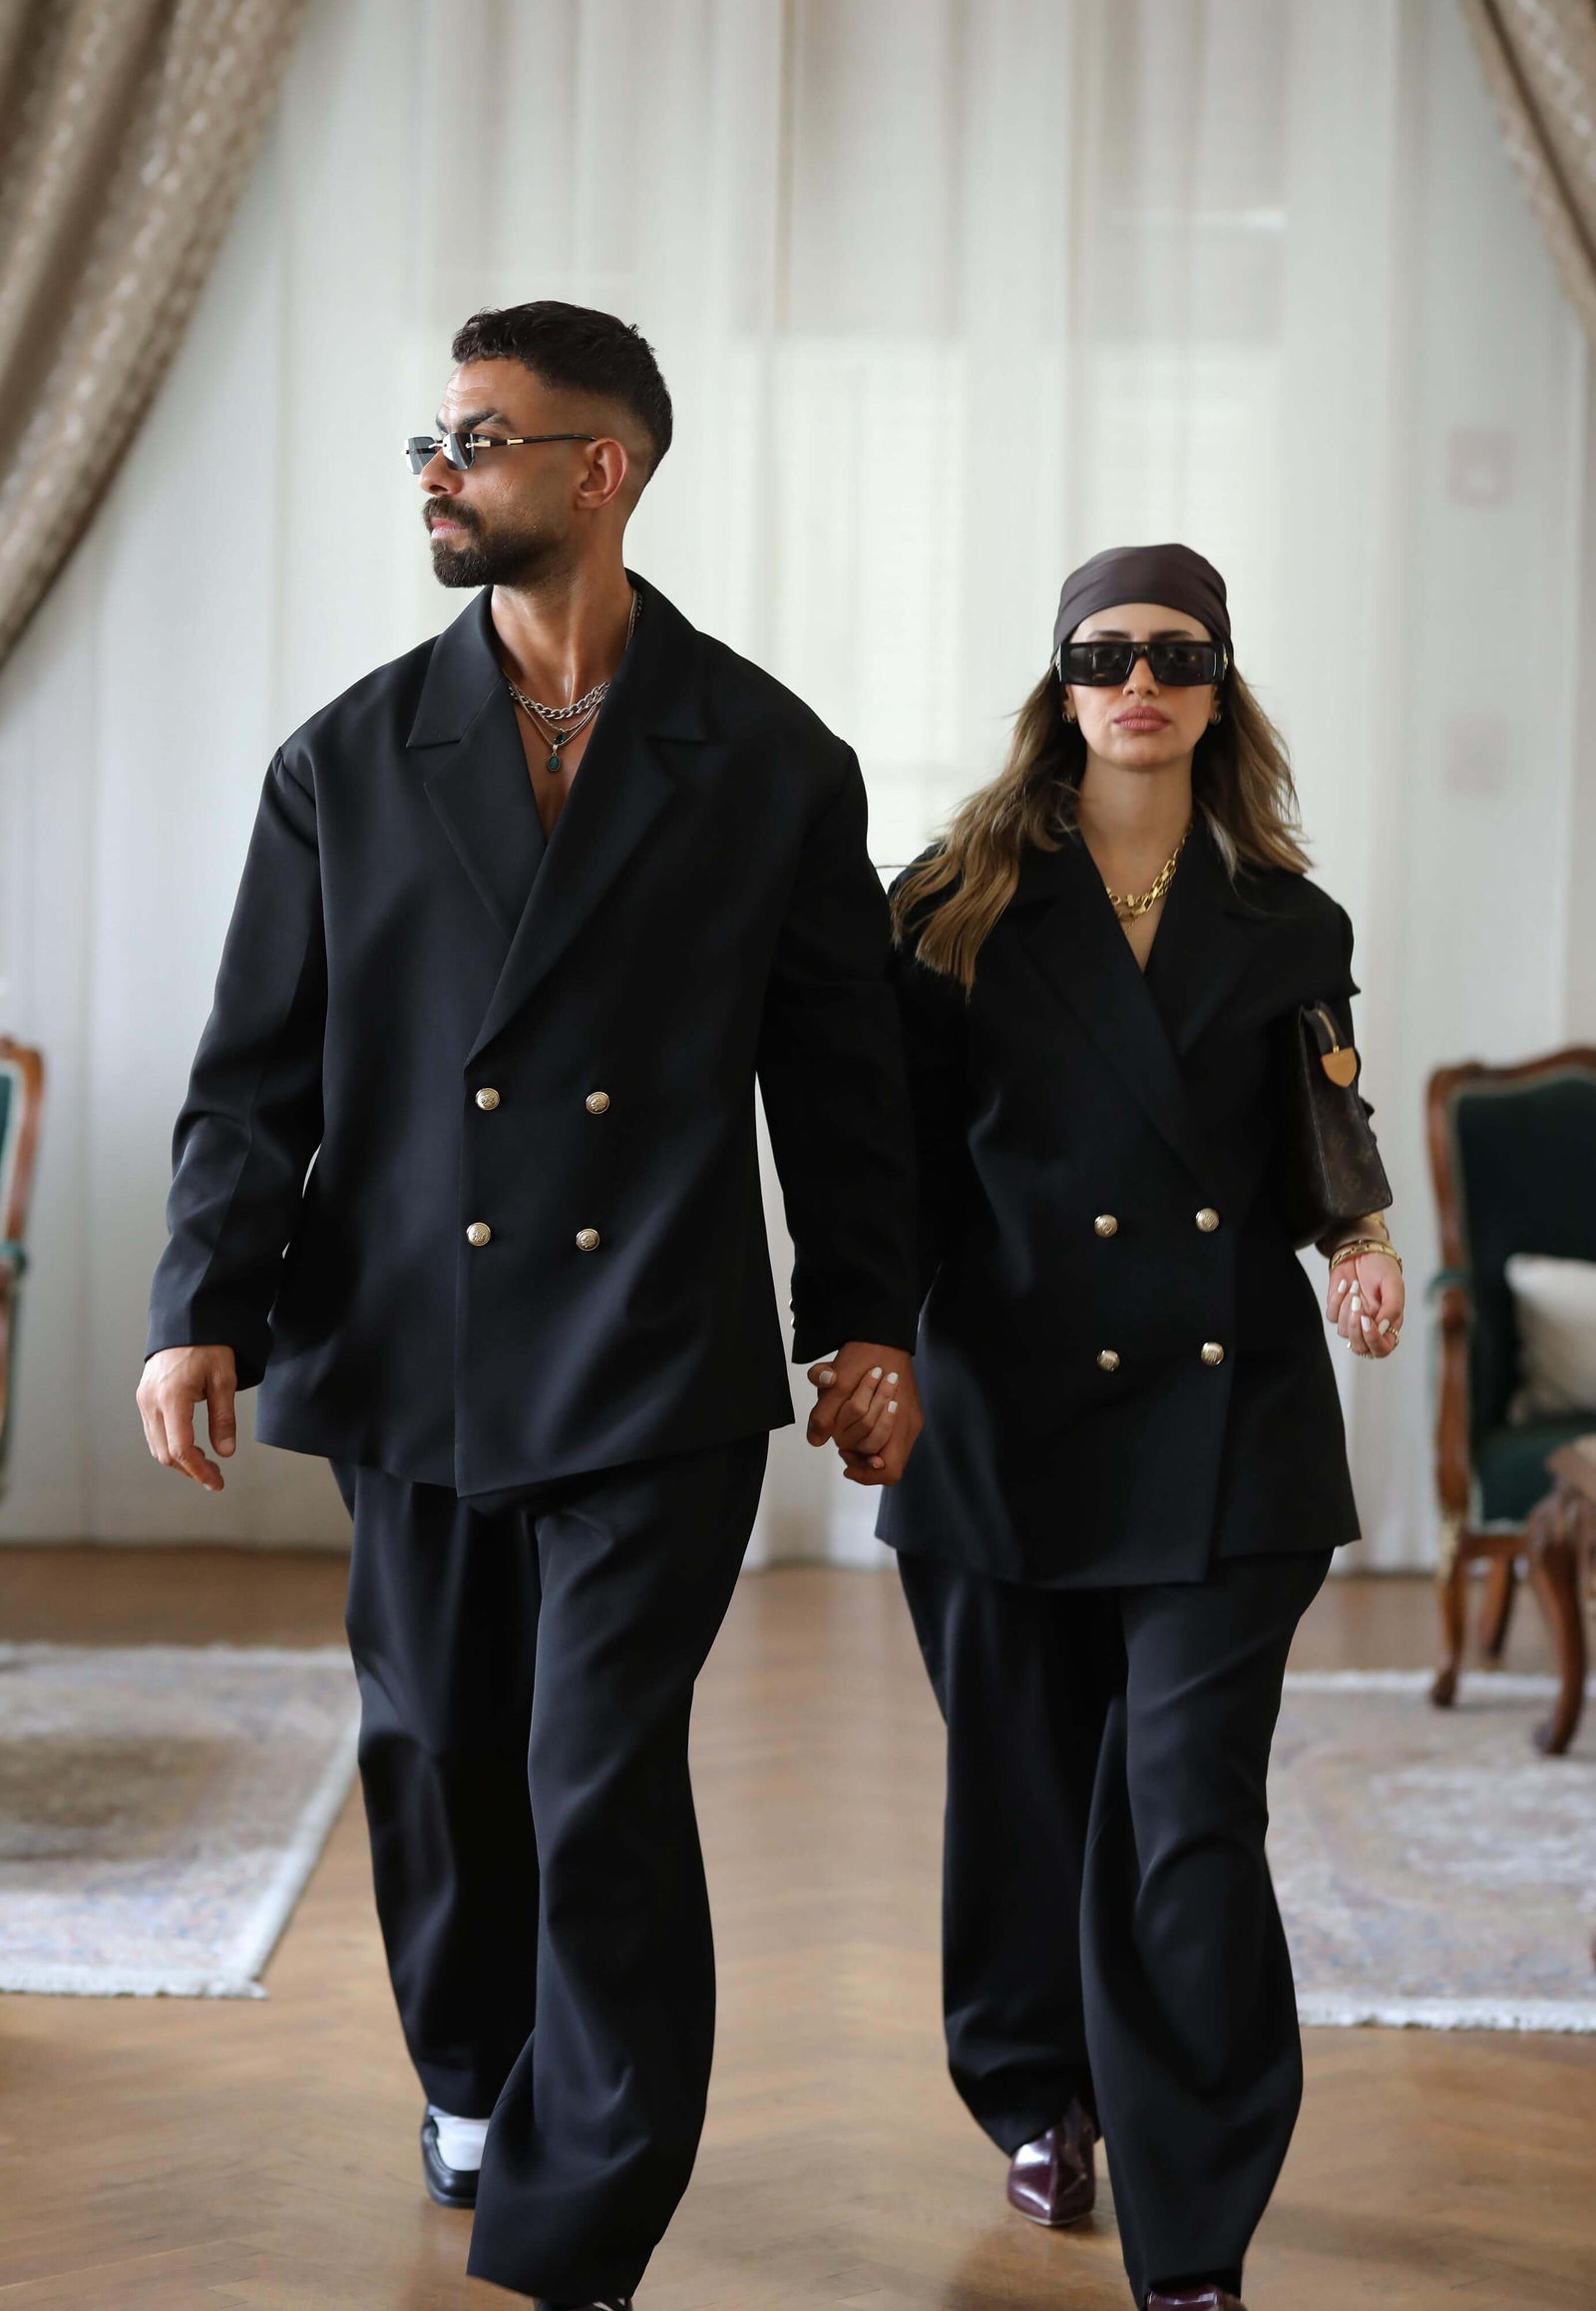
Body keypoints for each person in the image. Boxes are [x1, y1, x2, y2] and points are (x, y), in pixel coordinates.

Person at [137, 300, 922, 2311]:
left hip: (651, 1354)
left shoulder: (767, 760)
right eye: (432, 437)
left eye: (477, 439)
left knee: (599, 1776)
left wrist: (866, 1323)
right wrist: (199, 1302)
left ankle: (578, 2227)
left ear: (601, 467)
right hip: (405, 1342)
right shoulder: (344, 759)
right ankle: (473, 2074)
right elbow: (256, 1073)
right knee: (434, 1751)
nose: (437, 470)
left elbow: (841, 1084)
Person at [865, 543, 1404, 2311]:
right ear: (1064, 685)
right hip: (998, 1414)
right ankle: (1039, 2092)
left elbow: (1322, 1125)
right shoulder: (950, 898)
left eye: (1176, 655)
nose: (1140, 683)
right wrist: (865, 1347)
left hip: (1228, 1425)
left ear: (1220, 685)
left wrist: (1363, 1246)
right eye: (1105, 656)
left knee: (1188, 1816)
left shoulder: (1287, 918)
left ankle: (1196, 2224)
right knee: (1023, 1795)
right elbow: (894, 1167)